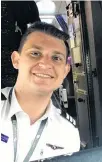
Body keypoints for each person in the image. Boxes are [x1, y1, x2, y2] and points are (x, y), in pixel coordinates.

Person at [1, 22, 80, 162]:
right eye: (35, 53)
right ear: (16, 60)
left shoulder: (68, 132)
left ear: (65, 71)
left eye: (56, 58)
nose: (45, 64)